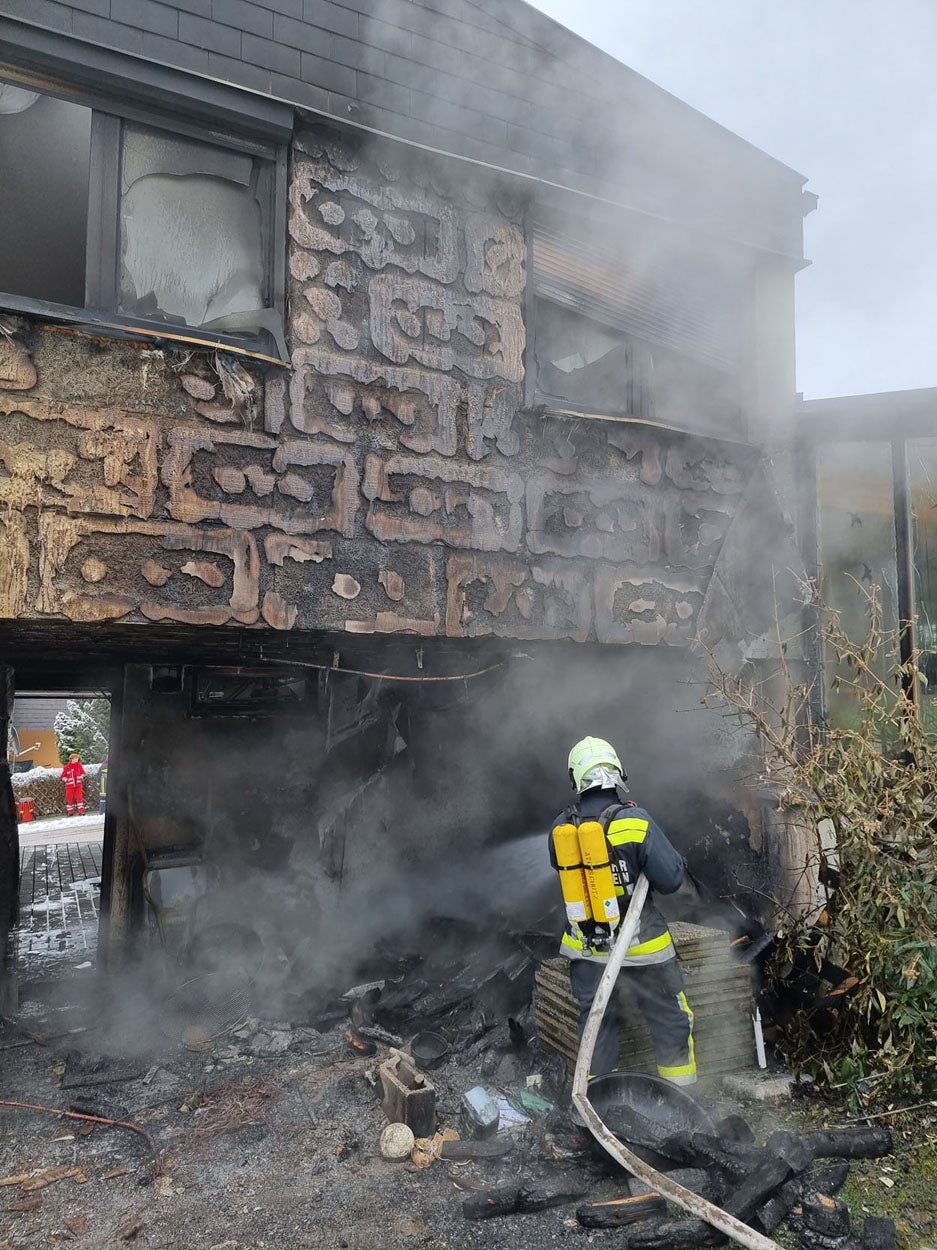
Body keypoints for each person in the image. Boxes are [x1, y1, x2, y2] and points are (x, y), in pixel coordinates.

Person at [549, 736, 697, 1086]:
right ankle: (684, 1101)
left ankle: (600, 1105)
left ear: (576, 779)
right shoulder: (636, 821)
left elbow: (562, 869)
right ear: (617, 773)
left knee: (596, 1025)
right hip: (642, 947)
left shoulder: (561, 826)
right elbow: (671, 879)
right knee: (670, 1020)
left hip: (586, 950)